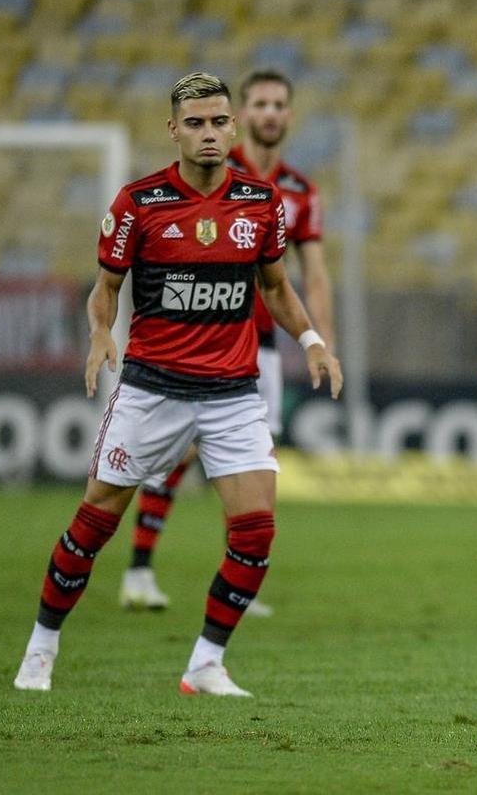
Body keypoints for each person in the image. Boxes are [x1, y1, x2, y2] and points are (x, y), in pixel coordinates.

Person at [12, 72, 343, 697]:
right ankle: (41, 646)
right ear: (174, 130)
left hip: (234, 394)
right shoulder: (139, 203)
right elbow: (105, 288)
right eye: (196, 123)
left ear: (233, 126)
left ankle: (205, 664)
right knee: (94, 523)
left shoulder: (261, 201)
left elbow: (275, 286)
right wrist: (101, 335)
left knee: (256, 533)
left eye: (219, 122)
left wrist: (312, 342)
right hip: (151, 391)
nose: (210, 133)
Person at [120, 68, 335, 617]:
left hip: (261, 345)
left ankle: (235, 576)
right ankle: (140, 569)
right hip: (203, 339)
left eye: (279, 105)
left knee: (251, 460)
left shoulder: (299, 193)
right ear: (242, 116)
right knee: (183, 450)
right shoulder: (215, 172)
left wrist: (321, 341)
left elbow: (311, 274)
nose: (270, 113)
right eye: (261, 103)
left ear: (287, 116)